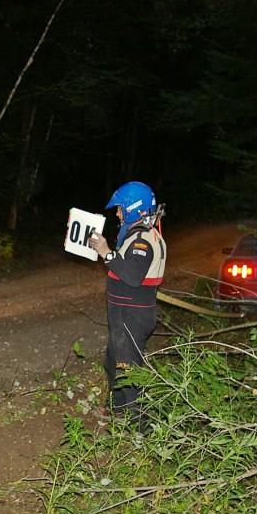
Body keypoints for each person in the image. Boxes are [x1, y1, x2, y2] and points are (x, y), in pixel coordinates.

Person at [88, 181, 166, 424]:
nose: (118, 214)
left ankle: (141, 426)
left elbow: (132, 276)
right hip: (124, 314)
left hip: (132, 316)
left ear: (134, 208)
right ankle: (118, 409)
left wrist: (105, 252)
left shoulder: (143, 240)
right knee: (113, 362)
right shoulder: (136, 234)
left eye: (121, 209)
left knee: (128, 370)